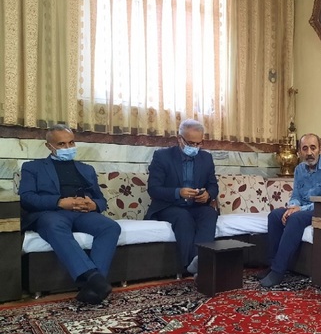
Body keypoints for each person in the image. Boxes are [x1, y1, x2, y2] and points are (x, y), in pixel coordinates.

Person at [19, 124, 121, 304]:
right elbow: (26, 198)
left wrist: (93, 205)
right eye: (61, 144)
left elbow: (101, 200)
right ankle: (93, 278)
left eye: (71, 142)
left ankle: (92, 288)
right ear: (49, 146)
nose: (68, 147)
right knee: (54, 225)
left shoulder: (86, 169)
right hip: (52, 212)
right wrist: (59, 202)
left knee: (110, 227)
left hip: (82, 213)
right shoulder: (32, 167)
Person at [260, 133, 321, 288]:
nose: (309, 152)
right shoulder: (299, 169)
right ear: (299, 152)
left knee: (295, 218)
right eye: (305, 148)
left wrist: (298, 210)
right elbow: (296, 196)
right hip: (305, 209)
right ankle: (272, 265)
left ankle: (278, 271)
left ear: (320, 149)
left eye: (313, 148)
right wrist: (292, 207)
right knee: (275, 215)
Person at [146, 119, 219, 274]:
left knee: (209, 213)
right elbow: (153, 189)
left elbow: (213, 186)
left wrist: (208, 195)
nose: (195, 147)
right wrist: (178, 192)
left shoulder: (206, 158)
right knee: (183, 217)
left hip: (196, 205)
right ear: (180, 139)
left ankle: (200, 261)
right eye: (191, 143)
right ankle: (192, 267)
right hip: (169, 206)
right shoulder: (162, 156)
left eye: (199, 143)